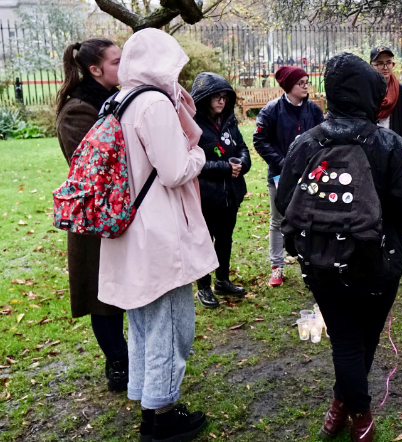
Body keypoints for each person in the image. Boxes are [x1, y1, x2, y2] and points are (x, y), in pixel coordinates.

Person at [276, 52, 402, 442]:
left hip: (322, 259)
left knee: (348, 336)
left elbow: (284, 201)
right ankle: (360, 414)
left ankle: (342, 404)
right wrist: (387, 233)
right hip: (378, 260)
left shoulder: (305, 143)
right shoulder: (388, 143)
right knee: (362, 336)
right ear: (368, 93)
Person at [98, 29, 216, 441]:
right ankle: (163, 415)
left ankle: (150, 404)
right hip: (158, 231)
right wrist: (199, 154)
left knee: (144, 322)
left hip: (127, 227)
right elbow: (174, 169)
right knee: (170, 321)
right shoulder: (153, 104)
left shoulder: (117, 100)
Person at [55, 38, 129, 392]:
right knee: (103, 301)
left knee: (125, 293)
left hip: (121, 216)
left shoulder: (118, 100)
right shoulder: (78, 111)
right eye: (116, 62)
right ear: (95, 69)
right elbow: (93, 168)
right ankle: (118, 363)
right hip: (95, 219)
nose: (123, 66)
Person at [254, 65, 324, 287]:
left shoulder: (313, 110)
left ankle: (312, 263)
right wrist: (283, 165)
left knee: (313, 217)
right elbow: (260, 140)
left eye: (306, 82)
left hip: (311, 175)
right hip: (280, 176)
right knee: (278, 219)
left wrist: (316, 165)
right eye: (301, 83)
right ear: (288, 86)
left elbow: (324, 138)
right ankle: (277, 266)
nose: (306, 86)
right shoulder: (271, 111)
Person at [190, 72, 252, 308]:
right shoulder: (192, 126)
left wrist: (241, 164)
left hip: (230, 194)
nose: (221, 101)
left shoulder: (229, 121)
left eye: (225, 97)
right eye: (216, 96)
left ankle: (222, 280)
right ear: (205, 98)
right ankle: (204, 287)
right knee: (205, 241)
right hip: (206, 195)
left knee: (225, 239)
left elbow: (243, 149)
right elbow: (192, 162)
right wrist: (224, 167)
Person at [369, 45, 402, 271]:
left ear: (393, 64)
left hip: (397, 160)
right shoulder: (367, 92)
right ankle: (374, 250)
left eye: (388, 62)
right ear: (371, 65)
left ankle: (400, 250)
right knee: (373, 204)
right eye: (379, 63)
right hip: (371, 158)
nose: (384, 67)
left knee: (398, 204)